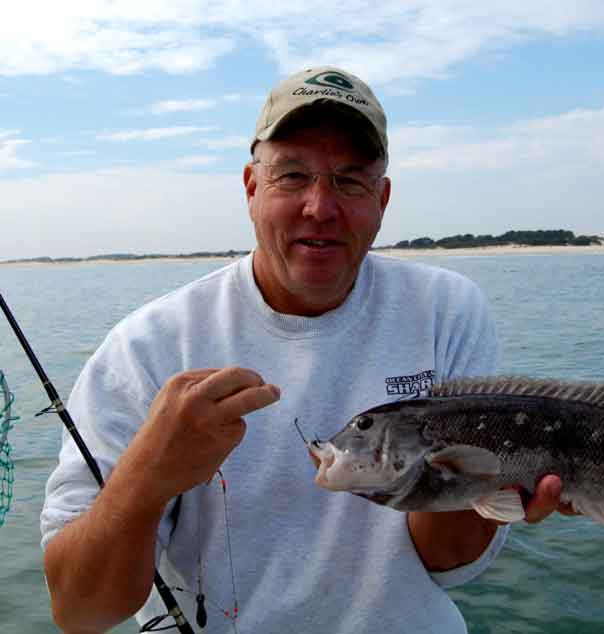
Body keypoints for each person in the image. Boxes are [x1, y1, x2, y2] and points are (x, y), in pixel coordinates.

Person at [40, 66, 572, 634]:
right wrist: (147, 476)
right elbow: (79, 612)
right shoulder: (148, 347)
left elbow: (446, 562)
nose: (320, 207)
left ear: (383, 198)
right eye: (292, 176)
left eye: (349, 180)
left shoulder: (447, 309)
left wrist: (482, 485)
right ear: (251, 187)